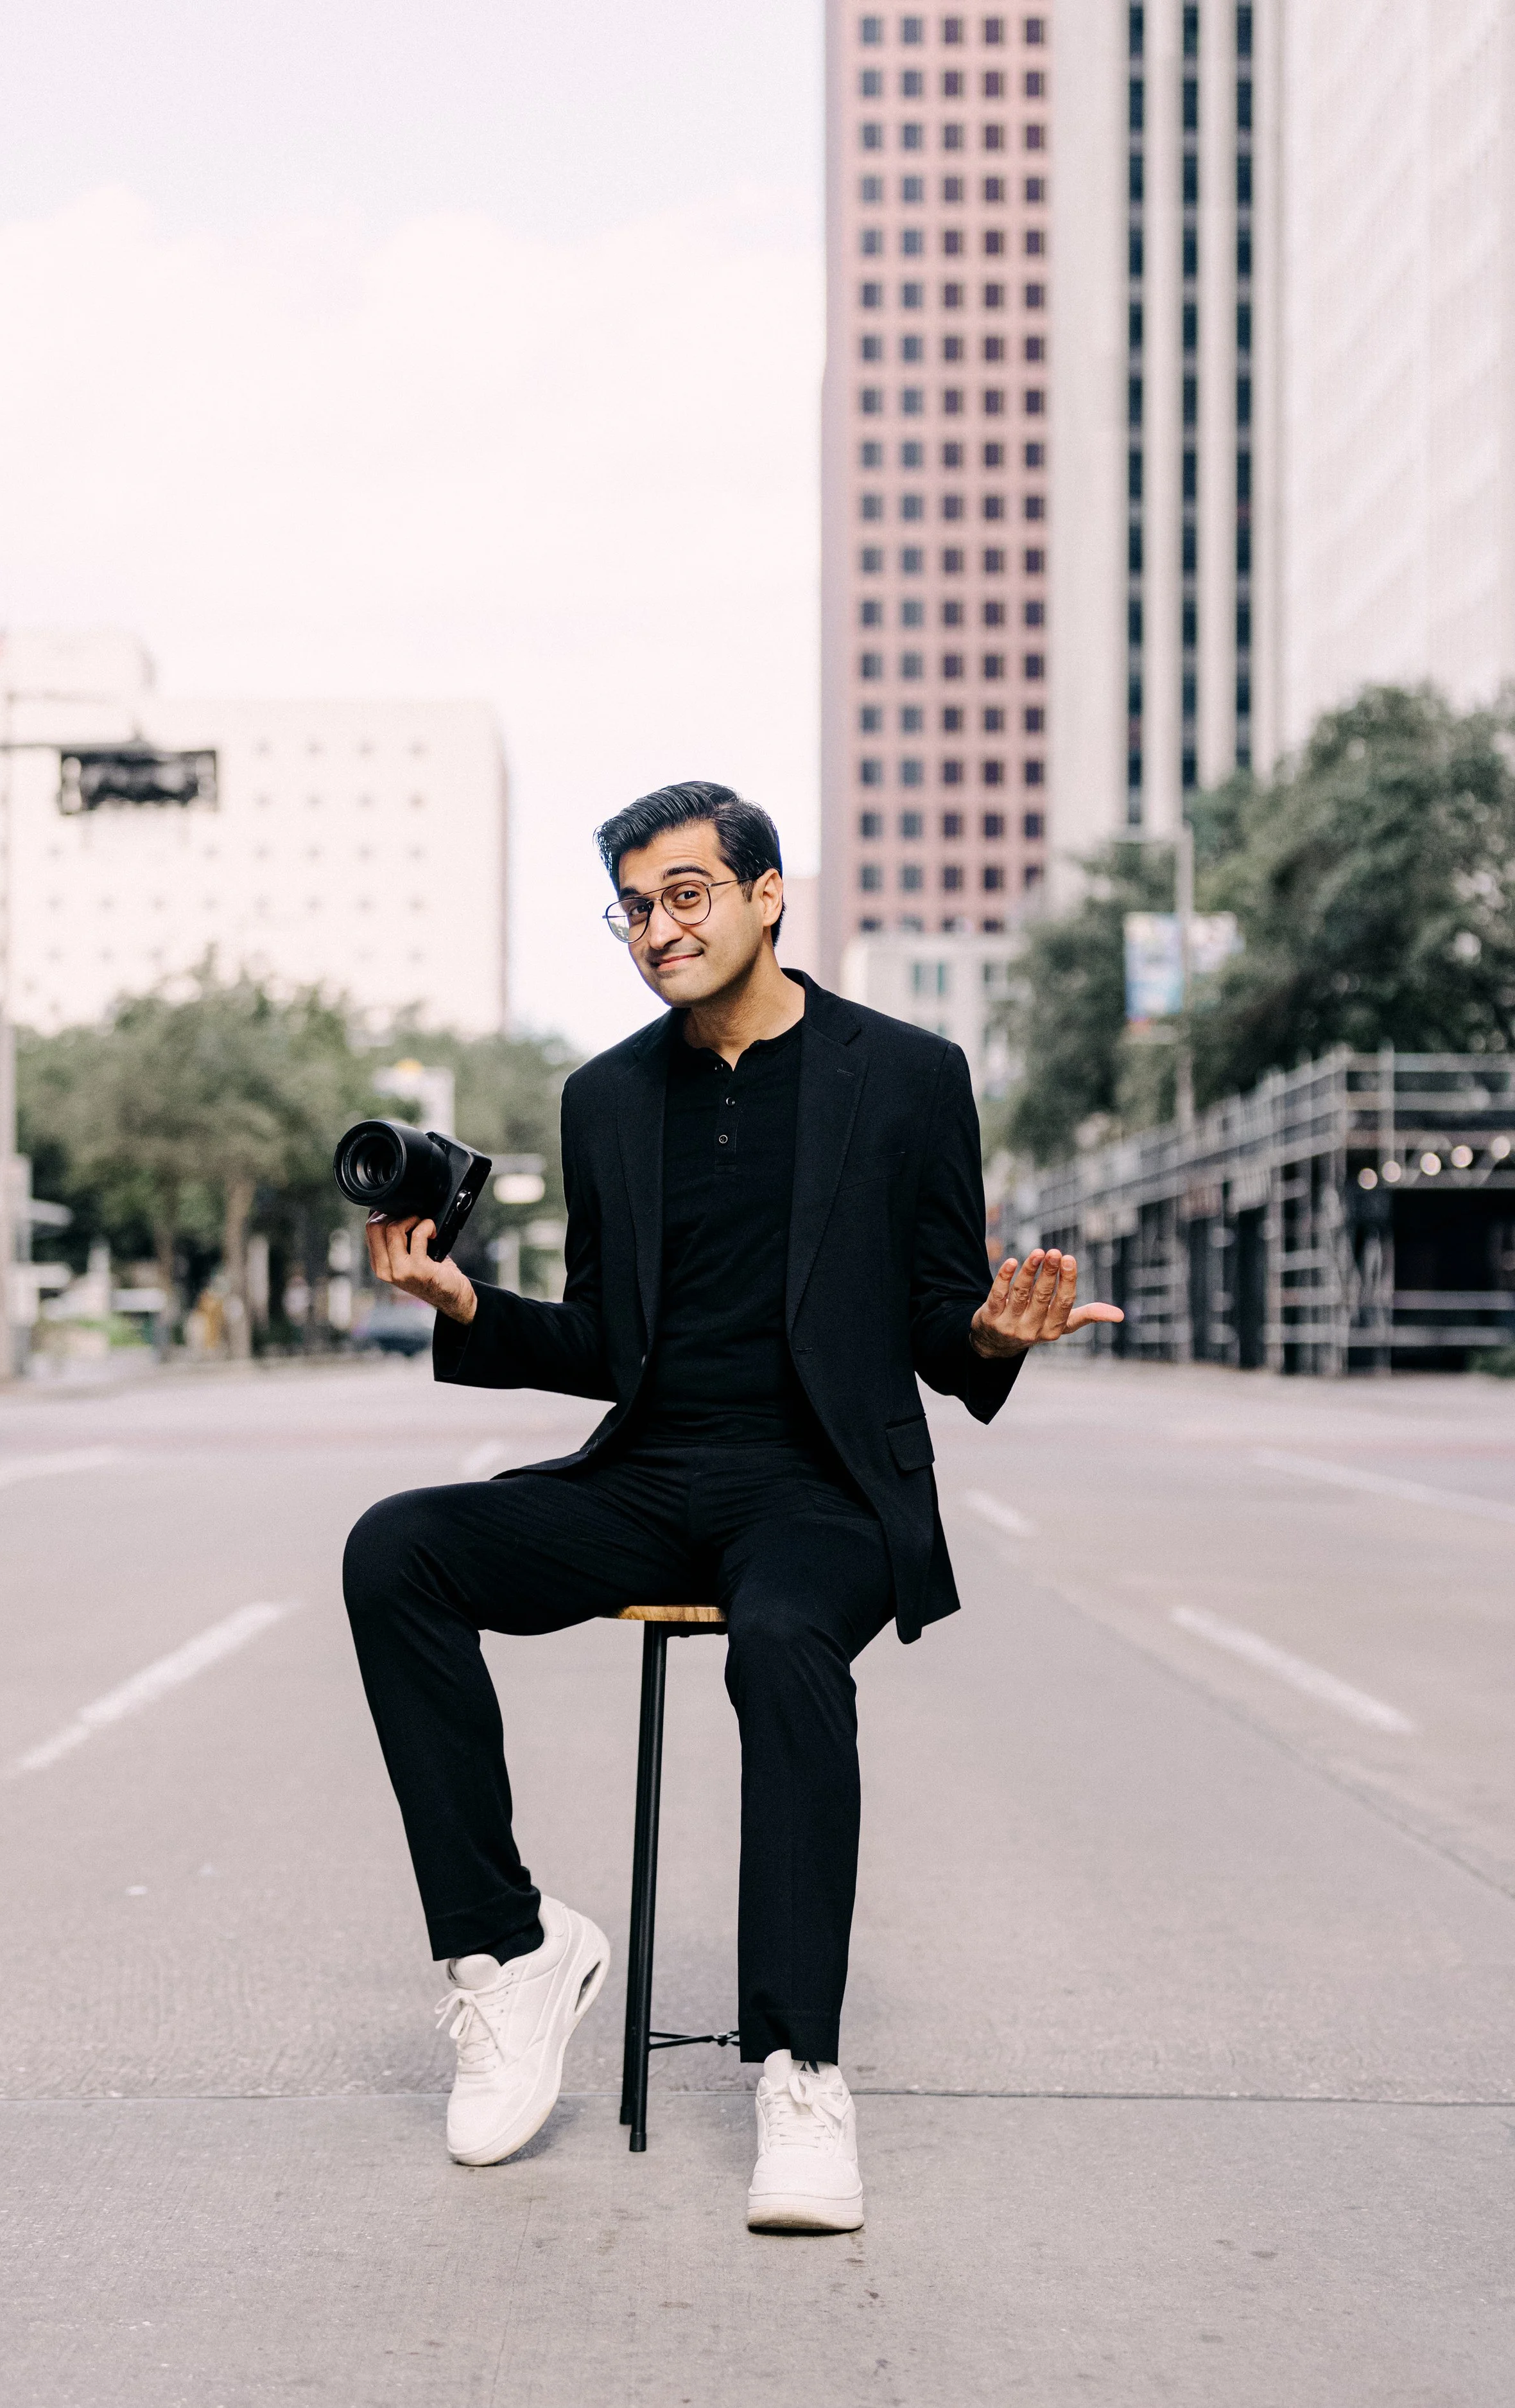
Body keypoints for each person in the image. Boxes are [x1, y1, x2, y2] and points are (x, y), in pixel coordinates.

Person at [343, 780, 1120, 2232]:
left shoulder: (903, 1075)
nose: (657, 928)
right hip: (644, 1480)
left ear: (768, 895)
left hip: (817, 1492)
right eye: (634, 906)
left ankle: (800, 2071)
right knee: (397, 1549)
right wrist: (467, 1304)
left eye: (686, 894)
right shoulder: (605, 1096)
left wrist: (998, 1337)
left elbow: (943, 1317)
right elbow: (600, 1342)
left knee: (777, 1644)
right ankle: (510, 1956)